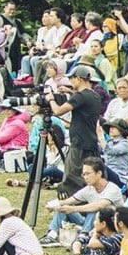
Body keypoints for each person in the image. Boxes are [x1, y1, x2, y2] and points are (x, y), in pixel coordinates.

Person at [47, 65, 103, 197]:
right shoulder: (95, 96)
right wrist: (70, 92)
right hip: (91, 142)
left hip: (79, 143)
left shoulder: (80, 96)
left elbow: (58, 111)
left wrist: (50, 99)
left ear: (79, 79)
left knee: (72, 178)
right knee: (89, 175)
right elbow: (84, 102)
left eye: (71, 79)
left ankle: (73, 206)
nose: (70, 82)